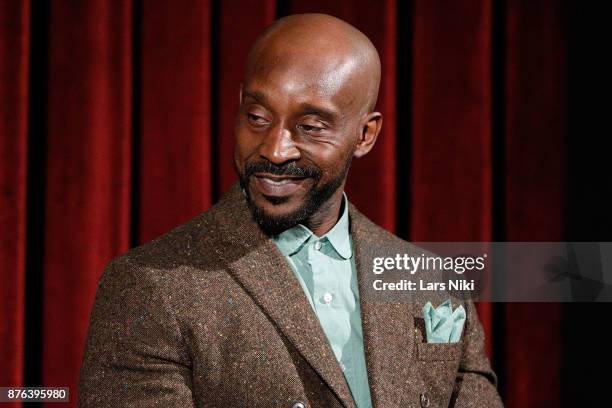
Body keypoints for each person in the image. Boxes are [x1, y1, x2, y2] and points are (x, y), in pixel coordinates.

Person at [78, 13, 503, 408]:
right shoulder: (150, 287)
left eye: (311, 127)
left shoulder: (434, 282)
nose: (274, 150)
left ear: (366, 134)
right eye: (258, 117)